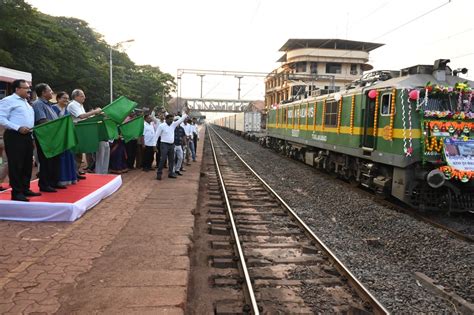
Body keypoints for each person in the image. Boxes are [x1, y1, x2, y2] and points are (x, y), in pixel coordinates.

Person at [0, 79, 41, 201]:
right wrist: (18, 128)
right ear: (17, 89)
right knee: (16, 164)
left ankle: (25, 188)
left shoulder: (26, 102)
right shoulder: (8, 101)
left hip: (27, 136)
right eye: (25, 88)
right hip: (14, 136)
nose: (29, 90)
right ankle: (17, 192)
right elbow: (1, 119)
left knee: (27, 163)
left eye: (29, 88)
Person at [32, 83, 64, 192]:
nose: (52, 92)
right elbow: (42, 121)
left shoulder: (49, 104)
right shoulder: (38, 104)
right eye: (50, 91)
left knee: (55, 160)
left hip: (53, 136)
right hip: (45, 137)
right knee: (46, 161)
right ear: (43, 93)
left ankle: (53, 182)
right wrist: (59, 124)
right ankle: (45, 184)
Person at [52, 91, 78, 186]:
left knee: (69, 156)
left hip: (66, 138)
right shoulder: (53, 109)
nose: (66, 100)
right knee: (61, 158)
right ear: (58, 99)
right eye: (64, 98)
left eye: (67, 98)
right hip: (57, 138)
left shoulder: (66, 110)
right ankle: (60, 179)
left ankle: (70, 178)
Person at [155, 109, 188, 180]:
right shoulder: (161, 126)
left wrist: (185, 114)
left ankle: (171, 173)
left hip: (171, 145)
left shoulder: (173, 125)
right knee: (163, 159)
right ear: (166, 119)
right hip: (164, 144)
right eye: (170, 119)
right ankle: (159, 173)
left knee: (171, 159)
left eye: (172, 119)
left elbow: (180, 120)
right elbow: (156, 136)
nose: (171, 121)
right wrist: (154, 146)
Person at [0, 125, 8, 191]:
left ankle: (13, 181)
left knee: (7, 162)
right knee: (7, 162)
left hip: (3, 138)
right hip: (4, 139)